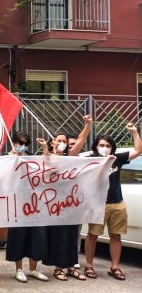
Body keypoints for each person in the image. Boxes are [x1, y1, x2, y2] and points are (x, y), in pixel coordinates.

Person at [84, 123, 142, 281]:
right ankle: (89, 266)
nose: (104, 147)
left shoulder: (118, 159)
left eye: (107, 145)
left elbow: (138, 151)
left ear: (112, 147)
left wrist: (134, 131)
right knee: (92, 235)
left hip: (117, 203)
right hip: (97, 204)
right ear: (96, 146)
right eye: (101, 145)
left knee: (116, 236)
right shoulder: (91, 160)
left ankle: (115, 267)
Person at [37, 114, 92, 282]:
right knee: (58, 236)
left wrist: (88, 124)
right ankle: (58, 268)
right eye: (57, 140)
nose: (60, 142)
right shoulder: (48, 156)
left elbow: (82, 138)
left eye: (63, 140)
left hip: (72, 203)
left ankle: (71, 266)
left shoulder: (71, 156)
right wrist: (45, 148)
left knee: (72, 235)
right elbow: (45, 166)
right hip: (55, 205)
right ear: (52, 142)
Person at [5, 132, 49, 283]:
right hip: (17, 204)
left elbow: (45, 165)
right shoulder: (7, 159)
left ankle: (34, 269)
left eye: (25, 144)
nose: (22, 146)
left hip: (35, 203)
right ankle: (19, 269)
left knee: (37, 236)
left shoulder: (30, 157)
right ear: (14, 142)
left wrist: (44, 148)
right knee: (18, 236)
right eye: (19, 143)